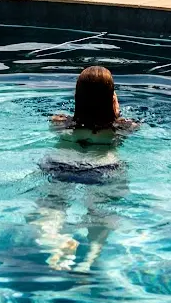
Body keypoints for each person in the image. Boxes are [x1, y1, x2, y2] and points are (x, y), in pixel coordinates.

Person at [32, 65, 137, 272]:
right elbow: (118, 126)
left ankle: (55, 242)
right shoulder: (124, 127)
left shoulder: (58, 122)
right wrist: (115, 112)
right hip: (102, 167)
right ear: (111, 98)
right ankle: (90, 258)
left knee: (51, 206)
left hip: (60, 164)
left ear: (77, 97)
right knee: (99, 213)